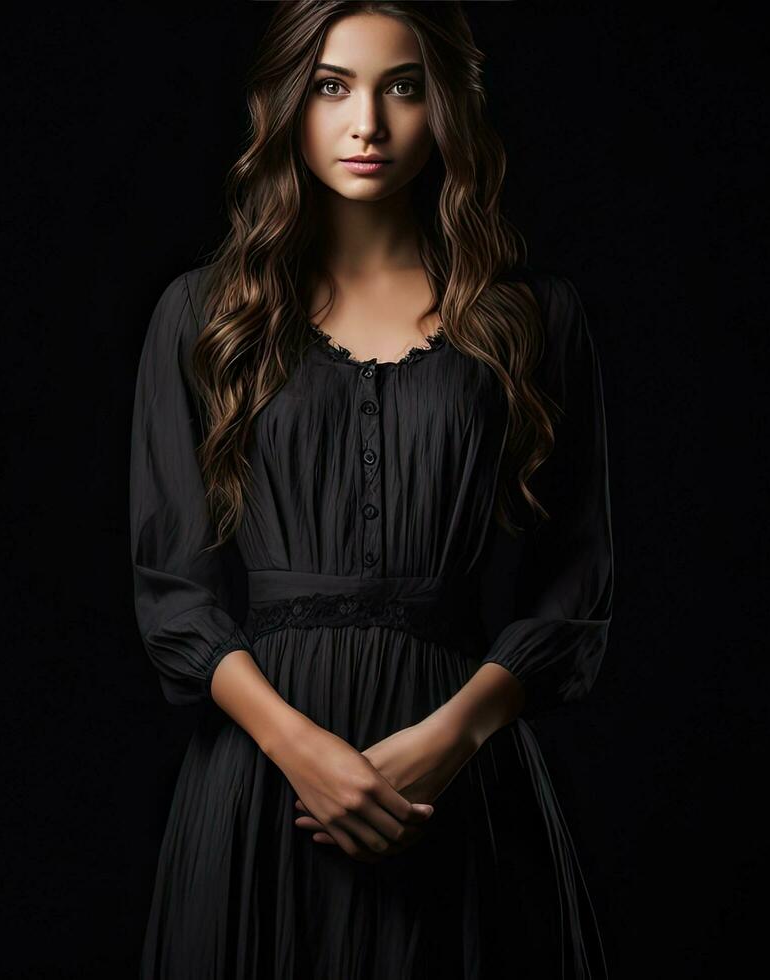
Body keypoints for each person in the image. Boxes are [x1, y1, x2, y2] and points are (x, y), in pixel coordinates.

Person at [129, 3, 614, 976]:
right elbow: (170, 595)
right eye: (330, 85)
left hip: (458, 782)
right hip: (264, 786)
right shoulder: (201, 317)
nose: (368, 124)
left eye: (401, 86)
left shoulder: (531, 321)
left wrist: (448, 737)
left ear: (444, 105)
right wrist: (300, 748)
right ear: (286, 105)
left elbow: (574, 585)